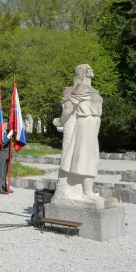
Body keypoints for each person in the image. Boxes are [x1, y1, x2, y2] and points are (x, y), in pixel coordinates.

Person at [52, 64, 103, 204]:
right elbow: (69, 108)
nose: (92, 69)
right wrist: (60, 121)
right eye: (88, 68)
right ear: (82, 72)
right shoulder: (81, 88)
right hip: (85, 123)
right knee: (87, 157)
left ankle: (88, 191)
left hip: (94, 124)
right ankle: (87, 192)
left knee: (92, 157)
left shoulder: (94, 90)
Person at [0, 119, 13, 194]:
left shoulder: (6, 132)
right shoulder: (1, 133)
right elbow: (3, 143)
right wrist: (9, 137)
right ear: (3, 125)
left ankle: (3, 185)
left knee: (5, 171)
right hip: (2, 154)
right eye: (7, 124)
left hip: (7, 155)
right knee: (1, 171)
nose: (8, 126)